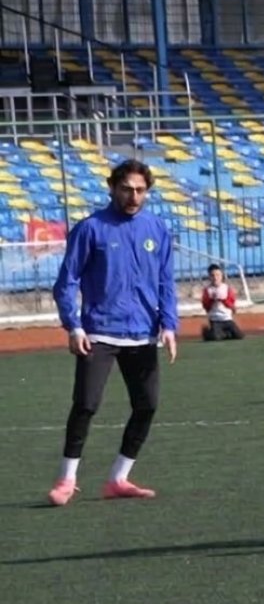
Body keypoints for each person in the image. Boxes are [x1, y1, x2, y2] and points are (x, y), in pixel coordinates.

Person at [47, 158, 179, 507]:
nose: (133, 196)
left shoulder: (157, 228)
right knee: (86, 404)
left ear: (147, 191)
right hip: (99, 332)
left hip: (142, 334)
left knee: (147, 405)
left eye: (140, 190)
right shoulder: (91, 228)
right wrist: (73, 326)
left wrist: (169, 325)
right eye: (126, 189)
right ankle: (67, 478)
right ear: (112, 188)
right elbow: (66, 282)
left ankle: (119, 477)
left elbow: (166, 280)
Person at [201, 263, 245, 342]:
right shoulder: (208, 290)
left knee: (239, 335)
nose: (215, 278)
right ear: (209, 277)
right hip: (215, 320)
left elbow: (232, 305)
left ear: (222, 276)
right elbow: (206, 306)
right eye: (212, 275)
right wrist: (212, 300)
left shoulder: (226, 288)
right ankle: (208, 333)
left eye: (218, 275)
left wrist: (223, 300)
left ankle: (225, 333)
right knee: (215, 338)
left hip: (227, 318)